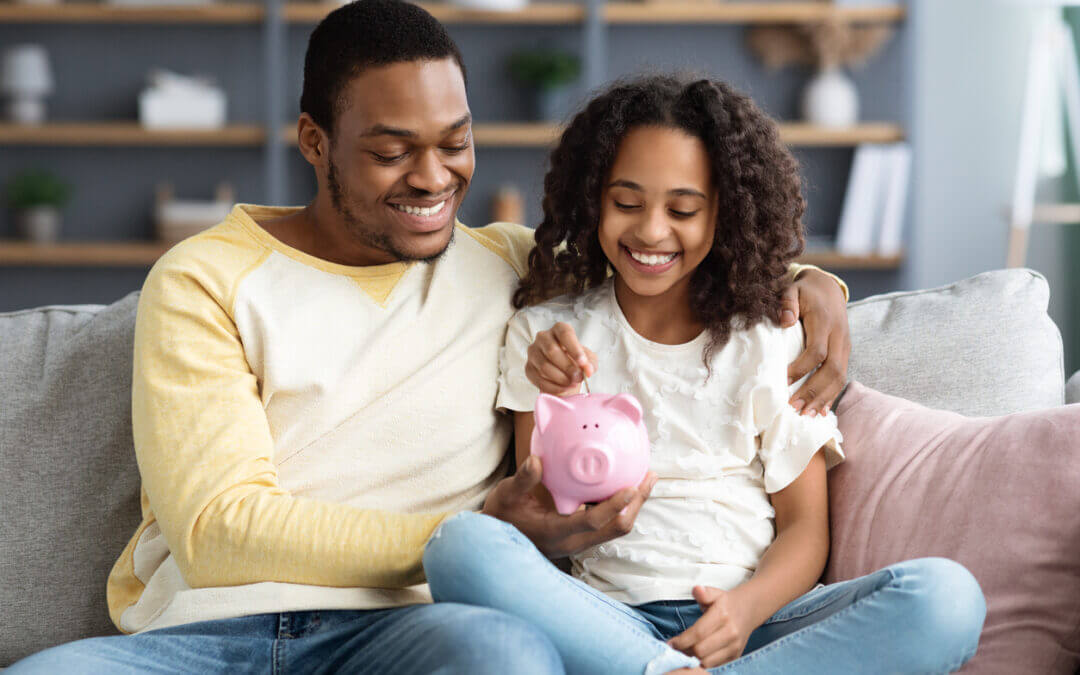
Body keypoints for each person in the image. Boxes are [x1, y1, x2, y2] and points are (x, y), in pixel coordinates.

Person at [6, 3, 853, 673]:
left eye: (456, 144)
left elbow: (668, 255)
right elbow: (218, 528)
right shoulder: (204, 279)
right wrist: (485, 528)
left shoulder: (508, 265)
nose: (433, 177)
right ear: (315, 142)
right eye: (391, 152)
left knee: (506, 654)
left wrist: (811, 284)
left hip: (411, 637)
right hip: (201, 636)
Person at [422, 74, 987, 674]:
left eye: (683, 209)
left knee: (948, 598)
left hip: (757, 622)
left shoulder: (772, 334)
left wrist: (741, 614)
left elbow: (804, 532)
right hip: (607, 620)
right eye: (627, 203)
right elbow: (545, 520)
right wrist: (559, 400)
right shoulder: (546, 336)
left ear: (726, 212)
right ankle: (656, 667)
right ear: (593, 199)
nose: (651, 231)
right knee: (459, 545)